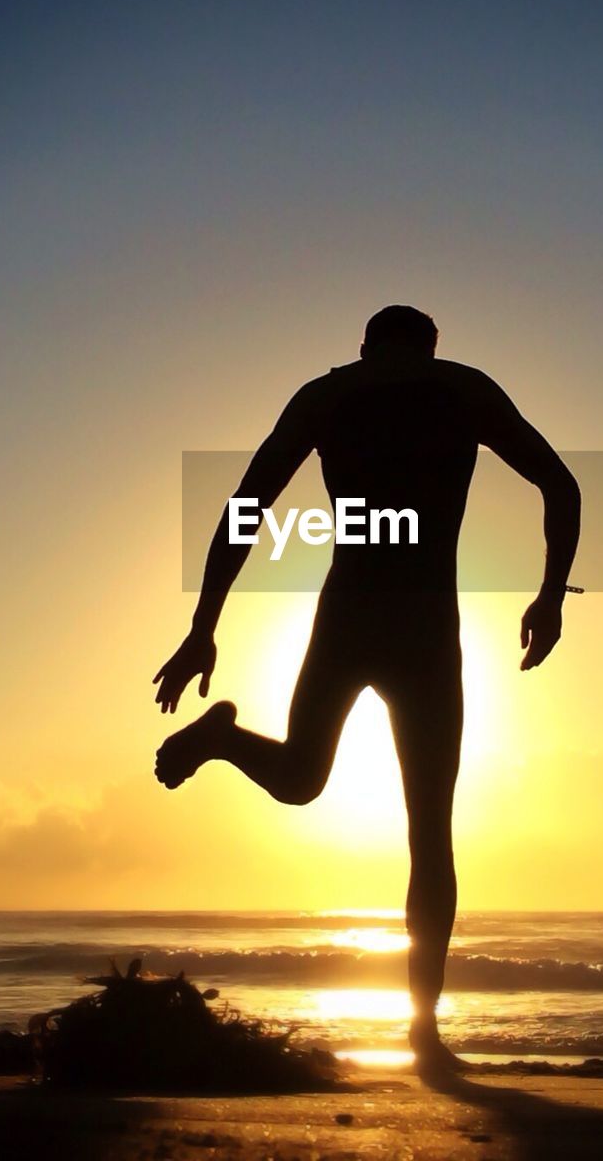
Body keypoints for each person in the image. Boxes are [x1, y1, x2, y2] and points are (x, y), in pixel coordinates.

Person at [153, 305, 580, 1071]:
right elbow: (561, 485)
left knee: (301, 781)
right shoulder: (463, 390)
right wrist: (548, 595)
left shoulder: (328, 395)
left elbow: (246, 508)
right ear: (430, 348)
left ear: (365, 347)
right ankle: (425, 1036)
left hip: (348, 616)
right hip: (422, 631)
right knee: (429, 835)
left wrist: (204, 625)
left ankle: (221, 738)